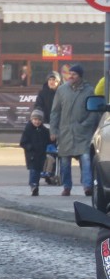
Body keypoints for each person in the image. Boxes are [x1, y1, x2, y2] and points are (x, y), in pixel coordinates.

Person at [49, 63, 99, 197]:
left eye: (74, 74)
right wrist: (53, 130)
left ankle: (87, 186)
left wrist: (85, 125)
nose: (70, 76)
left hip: (83, 132)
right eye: (70, 74)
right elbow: (55, 112)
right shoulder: (62, 90)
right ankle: (67, 187)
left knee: (86, 159)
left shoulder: (89, 90)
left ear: (80, 76)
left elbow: (94, 111)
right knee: (65, 162)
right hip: (65, 132)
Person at [19, 108, 51, 196]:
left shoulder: (44, 130)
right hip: (31, 154)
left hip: (41, 154)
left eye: (39, 120)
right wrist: (30, 147)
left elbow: (48, 140)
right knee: (33, 170)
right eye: (35, 119)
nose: (37, 122)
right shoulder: (28, 129)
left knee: (38, 171)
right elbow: (23, 142)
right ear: (31, 119)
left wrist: (53, 140)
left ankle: (36, 185)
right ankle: (33, 185)